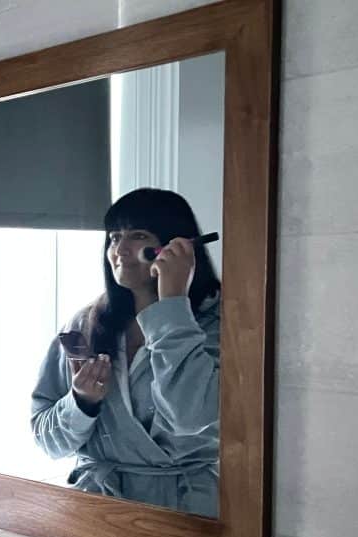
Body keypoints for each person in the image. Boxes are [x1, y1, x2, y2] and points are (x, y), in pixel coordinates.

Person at [31, 188, 220, 518]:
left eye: (138, 236)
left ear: (176, 245)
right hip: (97, 508)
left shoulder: (220, 324)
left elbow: (190, 416)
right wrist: (81, 403)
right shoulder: (83, 326)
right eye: (114, 237)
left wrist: (172, 303)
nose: (119, 249)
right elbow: (47, 442)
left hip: (187, 510)